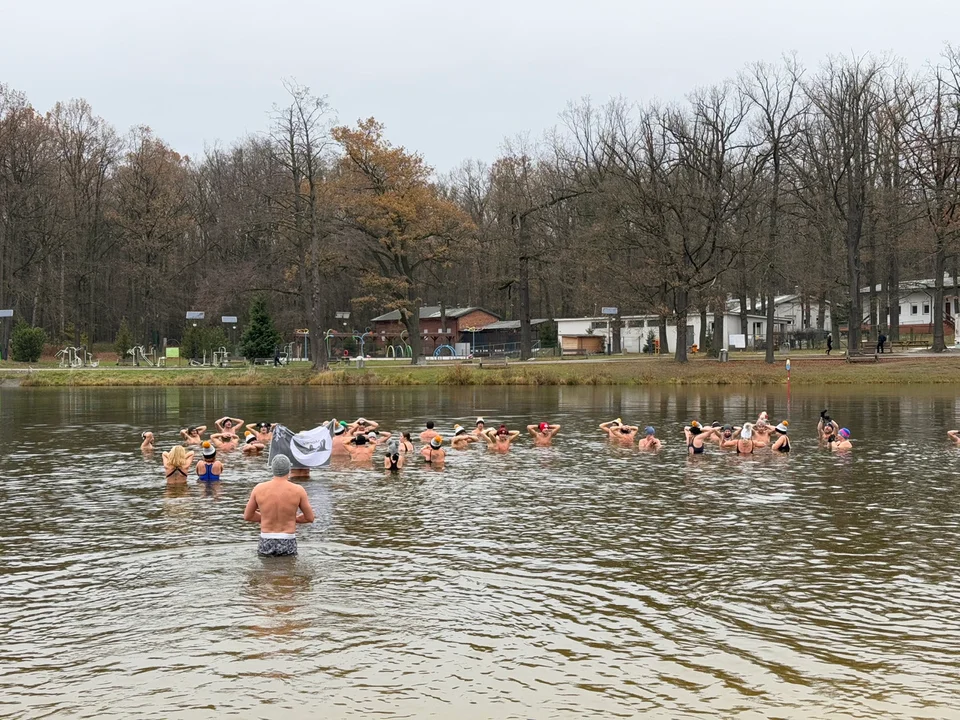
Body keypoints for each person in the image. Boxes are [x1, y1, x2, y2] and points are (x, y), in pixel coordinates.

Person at [243, 454, 315, 557]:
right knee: (288, 570)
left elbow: (247, 516)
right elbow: (310, 517)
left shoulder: (259, 488)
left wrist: (265, 517)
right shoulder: (298, 490)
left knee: (266, 570)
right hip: (288, 539)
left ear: (272, 469)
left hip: (266, 539)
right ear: (289, 469)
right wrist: (293, 519)